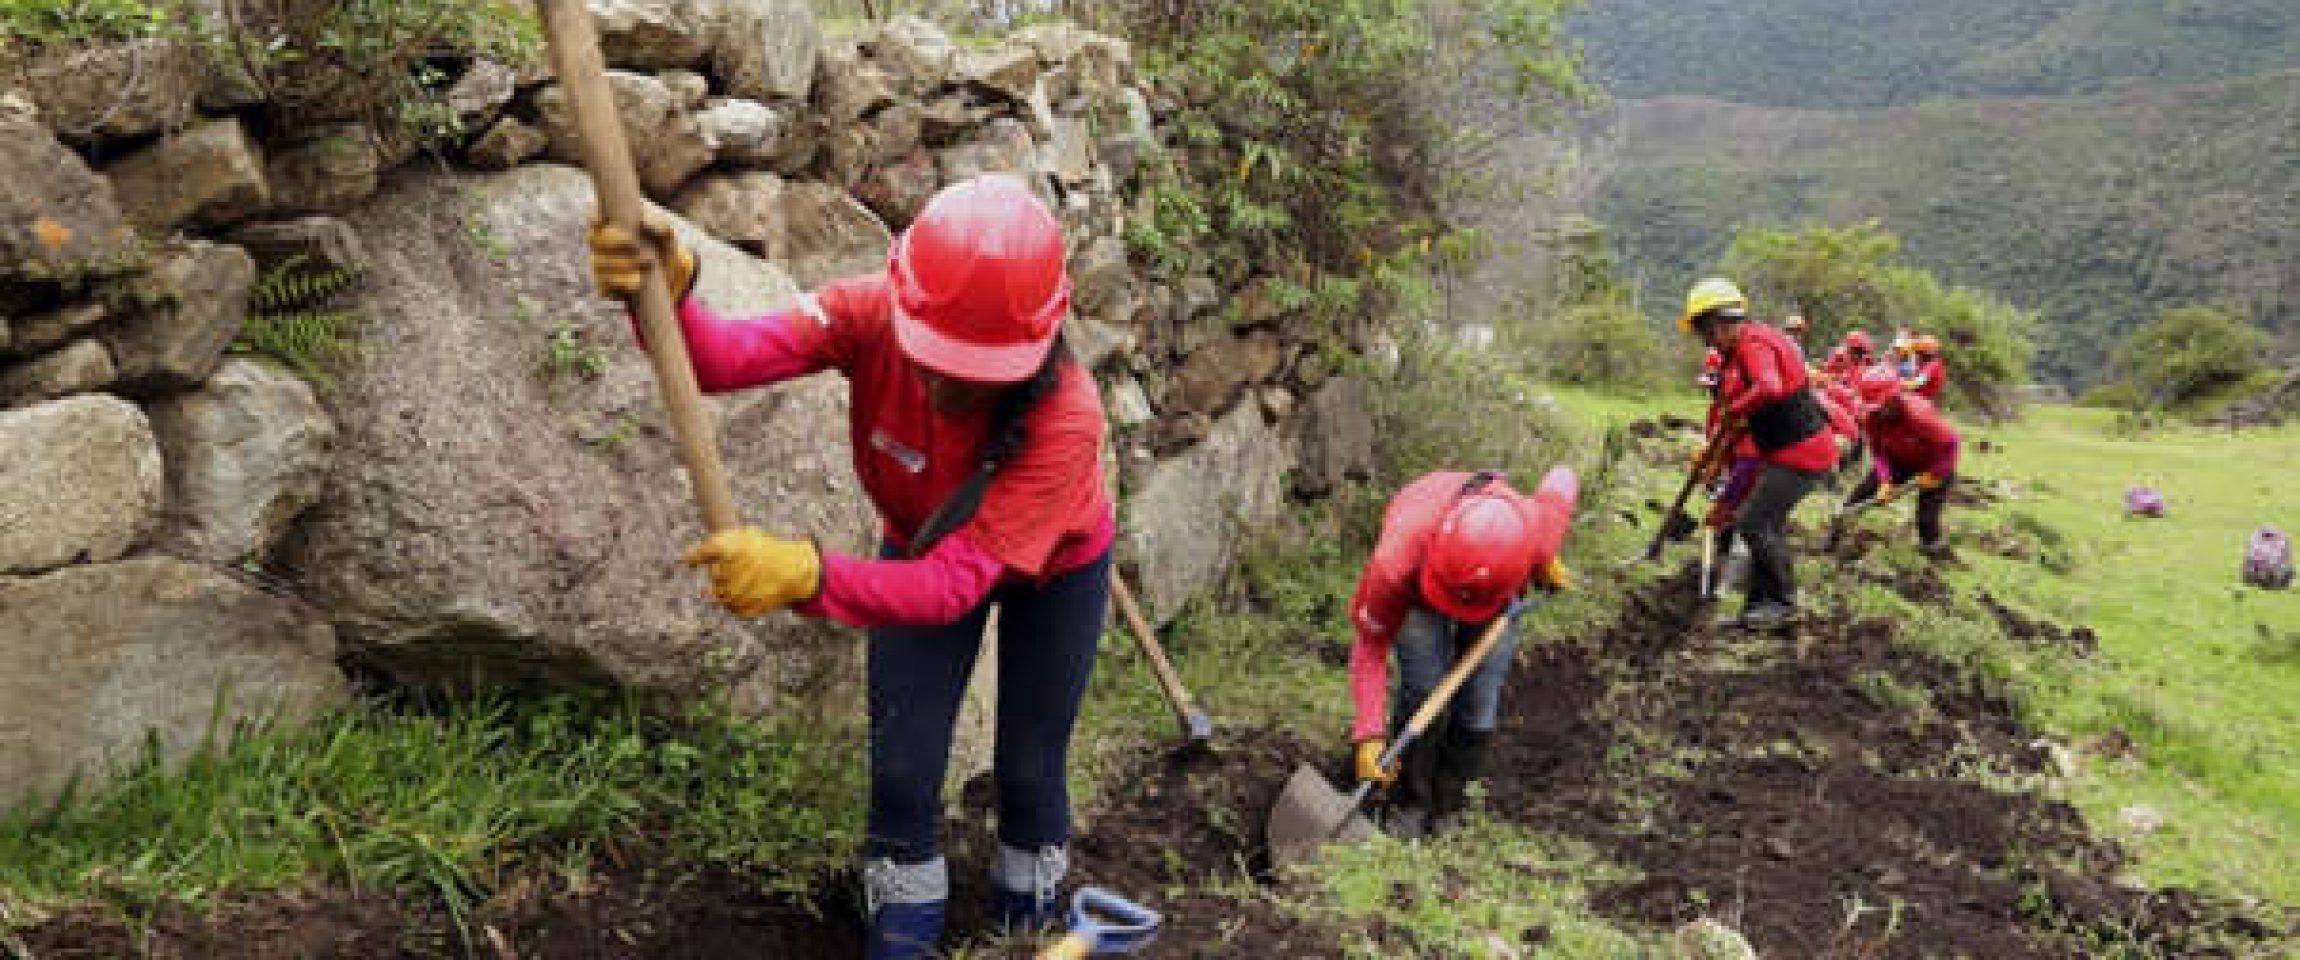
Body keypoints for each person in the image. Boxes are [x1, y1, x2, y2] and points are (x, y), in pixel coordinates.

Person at [588, 175, 1112, 958]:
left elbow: (952, 587)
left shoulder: (1066, 420)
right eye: (932, 358)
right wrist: (667, 294)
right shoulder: (868, 312)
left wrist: (807, 575)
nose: (942, 385)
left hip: (1056, 572)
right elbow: (722, 360)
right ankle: (901, 940)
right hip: (923, 540)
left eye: (977, 372)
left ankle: (1024, 926)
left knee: (1028, 770)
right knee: (902, 775)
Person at [1348, 468, 1577, 838]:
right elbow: (1371, 646)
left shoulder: (1537, 534)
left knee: (1480, 695)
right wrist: (1369, 732)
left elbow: (1563, 479)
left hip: (1497, 594)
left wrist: (1544, 560)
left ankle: (1450, 803)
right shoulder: (1395, 563)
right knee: (1424, 688)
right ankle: (1409, 802)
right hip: (1419, 587)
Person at [1679, 278, 1839, 629]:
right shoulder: (1739, 351)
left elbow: (1769, 387)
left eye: (1704, 331)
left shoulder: (1754, 343)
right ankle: (1758, 607)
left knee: (1755, 522)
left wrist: (1737, 409)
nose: (1704, 341)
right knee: (1764, 523)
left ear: (1718, 322)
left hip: (1802, 453)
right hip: (1784, 452)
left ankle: (1782, 603)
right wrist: (1717, 451)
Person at [1849, 389, 1960, 555]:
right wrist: (1885, 481)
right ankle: (1839, 531)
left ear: (1892, 400)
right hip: (1899, 460)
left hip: (1935, 463)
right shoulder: (1872, 418)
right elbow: (1878, 451)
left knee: (1926, 518)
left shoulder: (1918, 416)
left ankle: (1935, 551)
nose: (1876, 412)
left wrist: (1936, 474)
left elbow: (1951, 444)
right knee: (1860, 495)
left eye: (1879, 407)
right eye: (1872, 409)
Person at [1904, 334, 1946, 402]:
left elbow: (1918, 382)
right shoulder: (1930, 363)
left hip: (1922, 400)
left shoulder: (1933, 365)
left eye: (1918, 352)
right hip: (1919, 397)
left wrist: (1901, 384)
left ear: (1924, 354)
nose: (1916, 355)